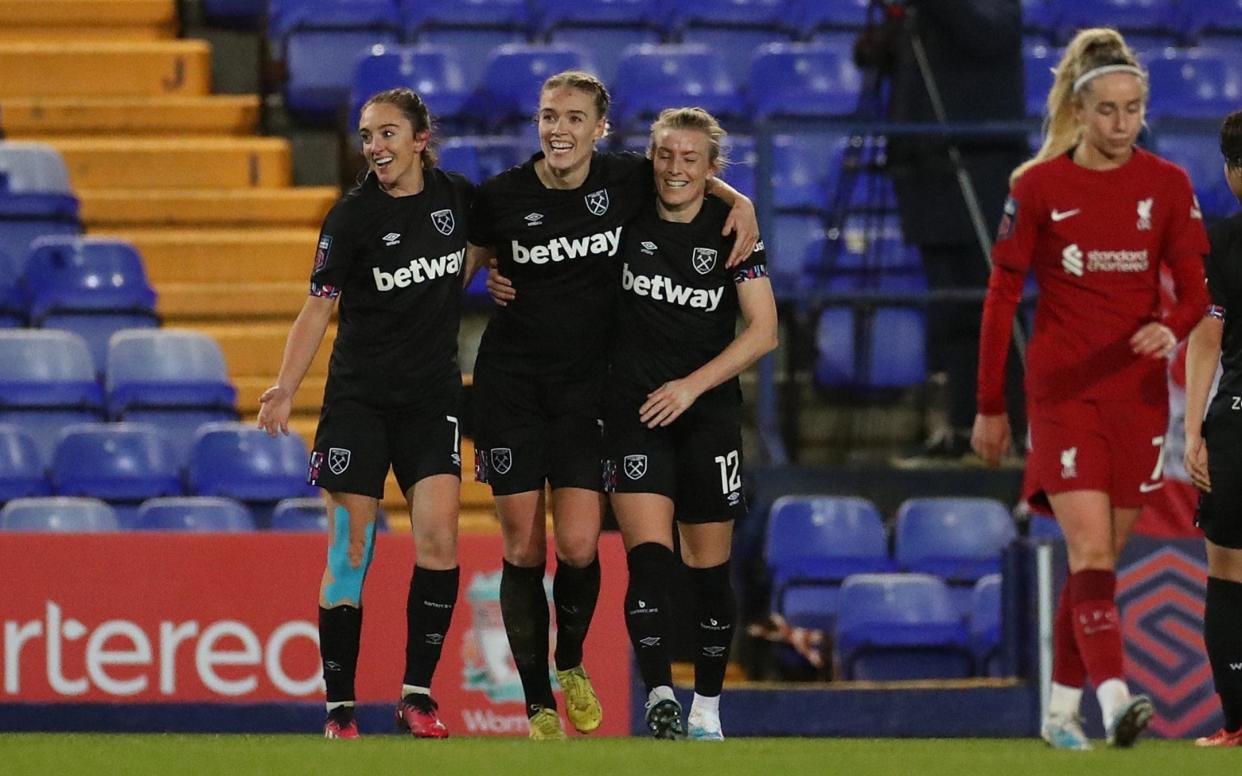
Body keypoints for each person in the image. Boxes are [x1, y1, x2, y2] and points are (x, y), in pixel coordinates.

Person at [468, 71, 758, 739]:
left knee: (576, 545)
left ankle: (570, 660)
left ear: (600, 128)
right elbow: (467, 262)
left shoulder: (626, 179)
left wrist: (738, 198)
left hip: (584, 391)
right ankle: (538, 701)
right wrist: (488, 276)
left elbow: (685, 171)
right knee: (521, 545)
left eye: (573, 117)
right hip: (511, 385)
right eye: (548, 115)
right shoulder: (503, 195)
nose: (558, 128)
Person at [971, 28, 1209, 750]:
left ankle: (1057, 712)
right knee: (1092, 555)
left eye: (1133, 109)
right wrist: (990, 406)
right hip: (1064, 393)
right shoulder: (1036, 188)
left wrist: (1172, 323)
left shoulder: (1167, 185)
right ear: (1079, 112)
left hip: (1137, 399)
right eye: (1108, 110)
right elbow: (1000, 299)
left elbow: (1199, 290)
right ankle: (1116, 699)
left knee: (1097, 567)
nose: (1122, 123)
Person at [256, 88, 474, 739]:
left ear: (420, 139)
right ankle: (340, 709)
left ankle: (417, 696)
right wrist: (285, 387)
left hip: (432, 399)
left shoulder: (457, 198)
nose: (374, 146)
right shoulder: (349, 219)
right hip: (359, 403)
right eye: (367, 135)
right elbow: (318, 308)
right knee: (352, 549)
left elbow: (493, 241)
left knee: (439, 540)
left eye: (386, 133)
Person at [604, 107, 777, 741]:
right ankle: (658, 696)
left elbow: (765, 331)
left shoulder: (733, 231)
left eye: (691, 159)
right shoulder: (624, 211)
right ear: (651, 158)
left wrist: (691, 386)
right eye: (666, 156)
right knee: (648, 564)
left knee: (709, 574)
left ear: (711, 169)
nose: (676, 168)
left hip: (708, 418)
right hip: (635, 414)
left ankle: (708, 707)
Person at [882, 0, 1029, 458]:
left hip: (979, 167)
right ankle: (963, 426)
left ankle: (1014, 428)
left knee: (992, 301)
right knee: (952, 311)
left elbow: (992, 35)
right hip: (927, 171)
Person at [1183, 108, 1242, 748]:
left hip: (1237, 422)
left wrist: (1192, 427)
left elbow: (1206, 334)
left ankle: (1237, 723)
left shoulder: (1219, 242)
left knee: (1229, 573)